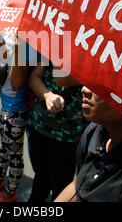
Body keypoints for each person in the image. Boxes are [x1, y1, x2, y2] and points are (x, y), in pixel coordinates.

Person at [26, 63, 88, 202]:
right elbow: (34, 77)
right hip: (38, 127)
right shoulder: (54, 46)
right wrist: (47, 95)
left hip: (66, 137)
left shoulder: (89, 54)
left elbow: (62, 78)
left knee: (60, 187)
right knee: (41, 178)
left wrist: (59, 45)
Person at [0, 34, 30, 202]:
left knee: (15, 153)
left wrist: (17, 50)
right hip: (5, 103)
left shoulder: (28, 41)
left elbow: (17, 84)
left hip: (17, 108)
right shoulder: (7, 33)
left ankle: (10, 192)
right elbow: (0, 66)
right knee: (5, 147)